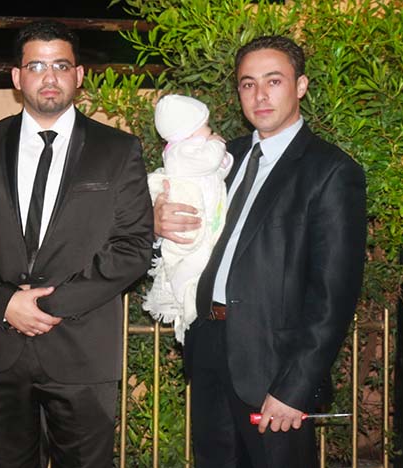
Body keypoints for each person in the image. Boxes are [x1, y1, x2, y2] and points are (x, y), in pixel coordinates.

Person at [154, 35, 366, 467]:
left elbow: (334, 296)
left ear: (301, 85)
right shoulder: (220, 157)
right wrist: (158, 224)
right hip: (208, 347)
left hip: (274, 367)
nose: (260, 95)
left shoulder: (331, 171)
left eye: (274, 80)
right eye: (248, 84)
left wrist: (294, 387)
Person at [0, 20, 153, 468]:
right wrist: (5, 302)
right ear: (17, 77)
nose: (49, 77)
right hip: (1, 352)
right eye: (36, 66)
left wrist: (48, 305)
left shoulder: (118, 150)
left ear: (79, 74)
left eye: (61, 66)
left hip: (82, 353)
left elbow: (133, 247)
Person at [144, 94, 232, 343]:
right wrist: (216, 144)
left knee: (200, 263)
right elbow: (211, 159)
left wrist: (220, 153)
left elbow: (221, 168)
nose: (210, 130)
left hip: (207, 223)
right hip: (189, 231)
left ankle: (191, 302)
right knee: (190, 263)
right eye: (205, 125)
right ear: (188, 130)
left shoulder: (193, 151)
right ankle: (188, 303)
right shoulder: (180, 153)